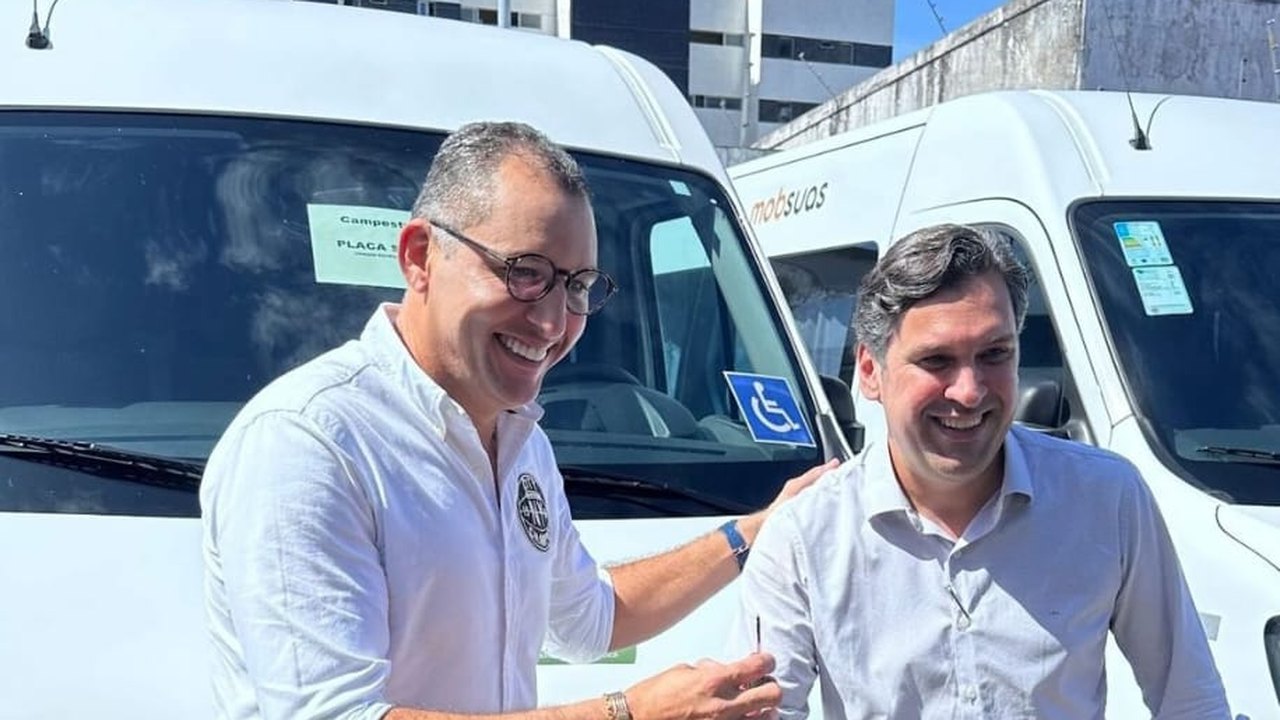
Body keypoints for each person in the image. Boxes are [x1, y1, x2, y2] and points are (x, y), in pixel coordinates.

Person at [200, 120, 834, 720]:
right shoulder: (308, 441)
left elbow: (590, 619)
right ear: (420, 256)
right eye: (525, 273)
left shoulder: (519, 439)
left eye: (577, 285)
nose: (554, 322)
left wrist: (754, 531)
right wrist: (629, 712)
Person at [732, 224, 1230, 718]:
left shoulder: (1107, 499)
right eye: (936, 360)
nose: (969, 392)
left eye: (994, 354)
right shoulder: (805, 536)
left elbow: (1191, 702)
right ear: (869, 370)